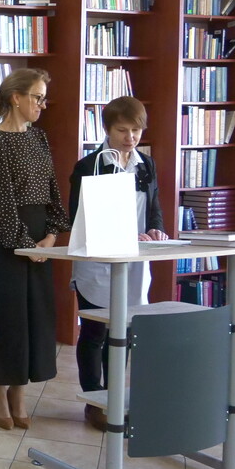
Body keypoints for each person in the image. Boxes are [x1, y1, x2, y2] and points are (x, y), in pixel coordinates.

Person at [0, 67, 69, 430]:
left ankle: (19, 392)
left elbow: (52, 192)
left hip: (40, 240)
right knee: (7, 318)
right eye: (37, 97)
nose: (42, 105)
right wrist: (26, 245)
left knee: (35, 318)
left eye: (44, 98)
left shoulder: (39, 137)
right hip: (5, 243)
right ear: (16, 98)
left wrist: (51, 237)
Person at [68, 95, 166, 431]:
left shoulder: (146, 164)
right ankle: (93, 401)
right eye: (123, 130)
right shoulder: (89, 166)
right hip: (97, 260)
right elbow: (78, 217)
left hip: (133, 260)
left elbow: (154, 206)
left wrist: (155, 228)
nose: (130, 137)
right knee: (94, 330)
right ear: (107, 129)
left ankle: (114, 397)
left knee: (123, 332)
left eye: (136, 130)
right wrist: (120, 232)